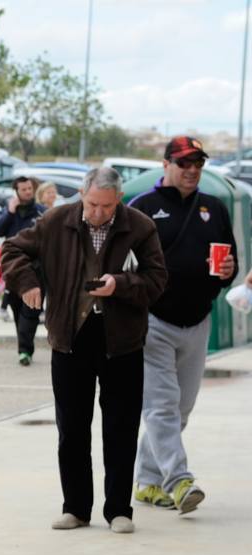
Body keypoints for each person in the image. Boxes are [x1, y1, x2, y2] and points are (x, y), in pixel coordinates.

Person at [1, 166, 167, 534]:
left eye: (107, 207)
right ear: (81, 193)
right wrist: (27, 282)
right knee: (72, 428)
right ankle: (75, 507)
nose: (98, 212)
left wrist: (120, 284)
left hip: (121, 340)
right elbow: (12, 248)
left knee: (121, 428)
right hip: (70, 337)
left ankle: (119, 510)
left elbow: (157, 280)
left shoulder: (139, 226)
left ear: (118, 200)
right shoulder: (56, 220)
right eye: (92, 204)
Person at [129, 137, 236, 514]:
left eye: (198, 164)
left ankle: (147, 481)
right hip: (154, 321)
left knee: (182, 408)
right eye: (184, 162)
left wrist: (227, 272)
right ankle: (179, 481)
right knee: (161, 407)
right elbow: (123, 264)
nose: (192, 170)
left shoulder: (215, 208)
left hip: (198, 321)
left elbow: (229, 262)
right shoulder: (142, 208)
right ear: (166, 164)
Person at [0, 176, 49, 365]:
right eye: (23, 189)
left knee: (31, 310)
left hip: (36, 269)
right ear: (16, 191)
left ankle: (25, 350)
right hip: (13, 269)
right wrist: (9, 211)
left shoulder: (41, 212)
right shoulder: (9, 211)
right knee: (17, 309)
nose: (28, 192)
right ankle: (24, 347)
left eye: (30, 188)